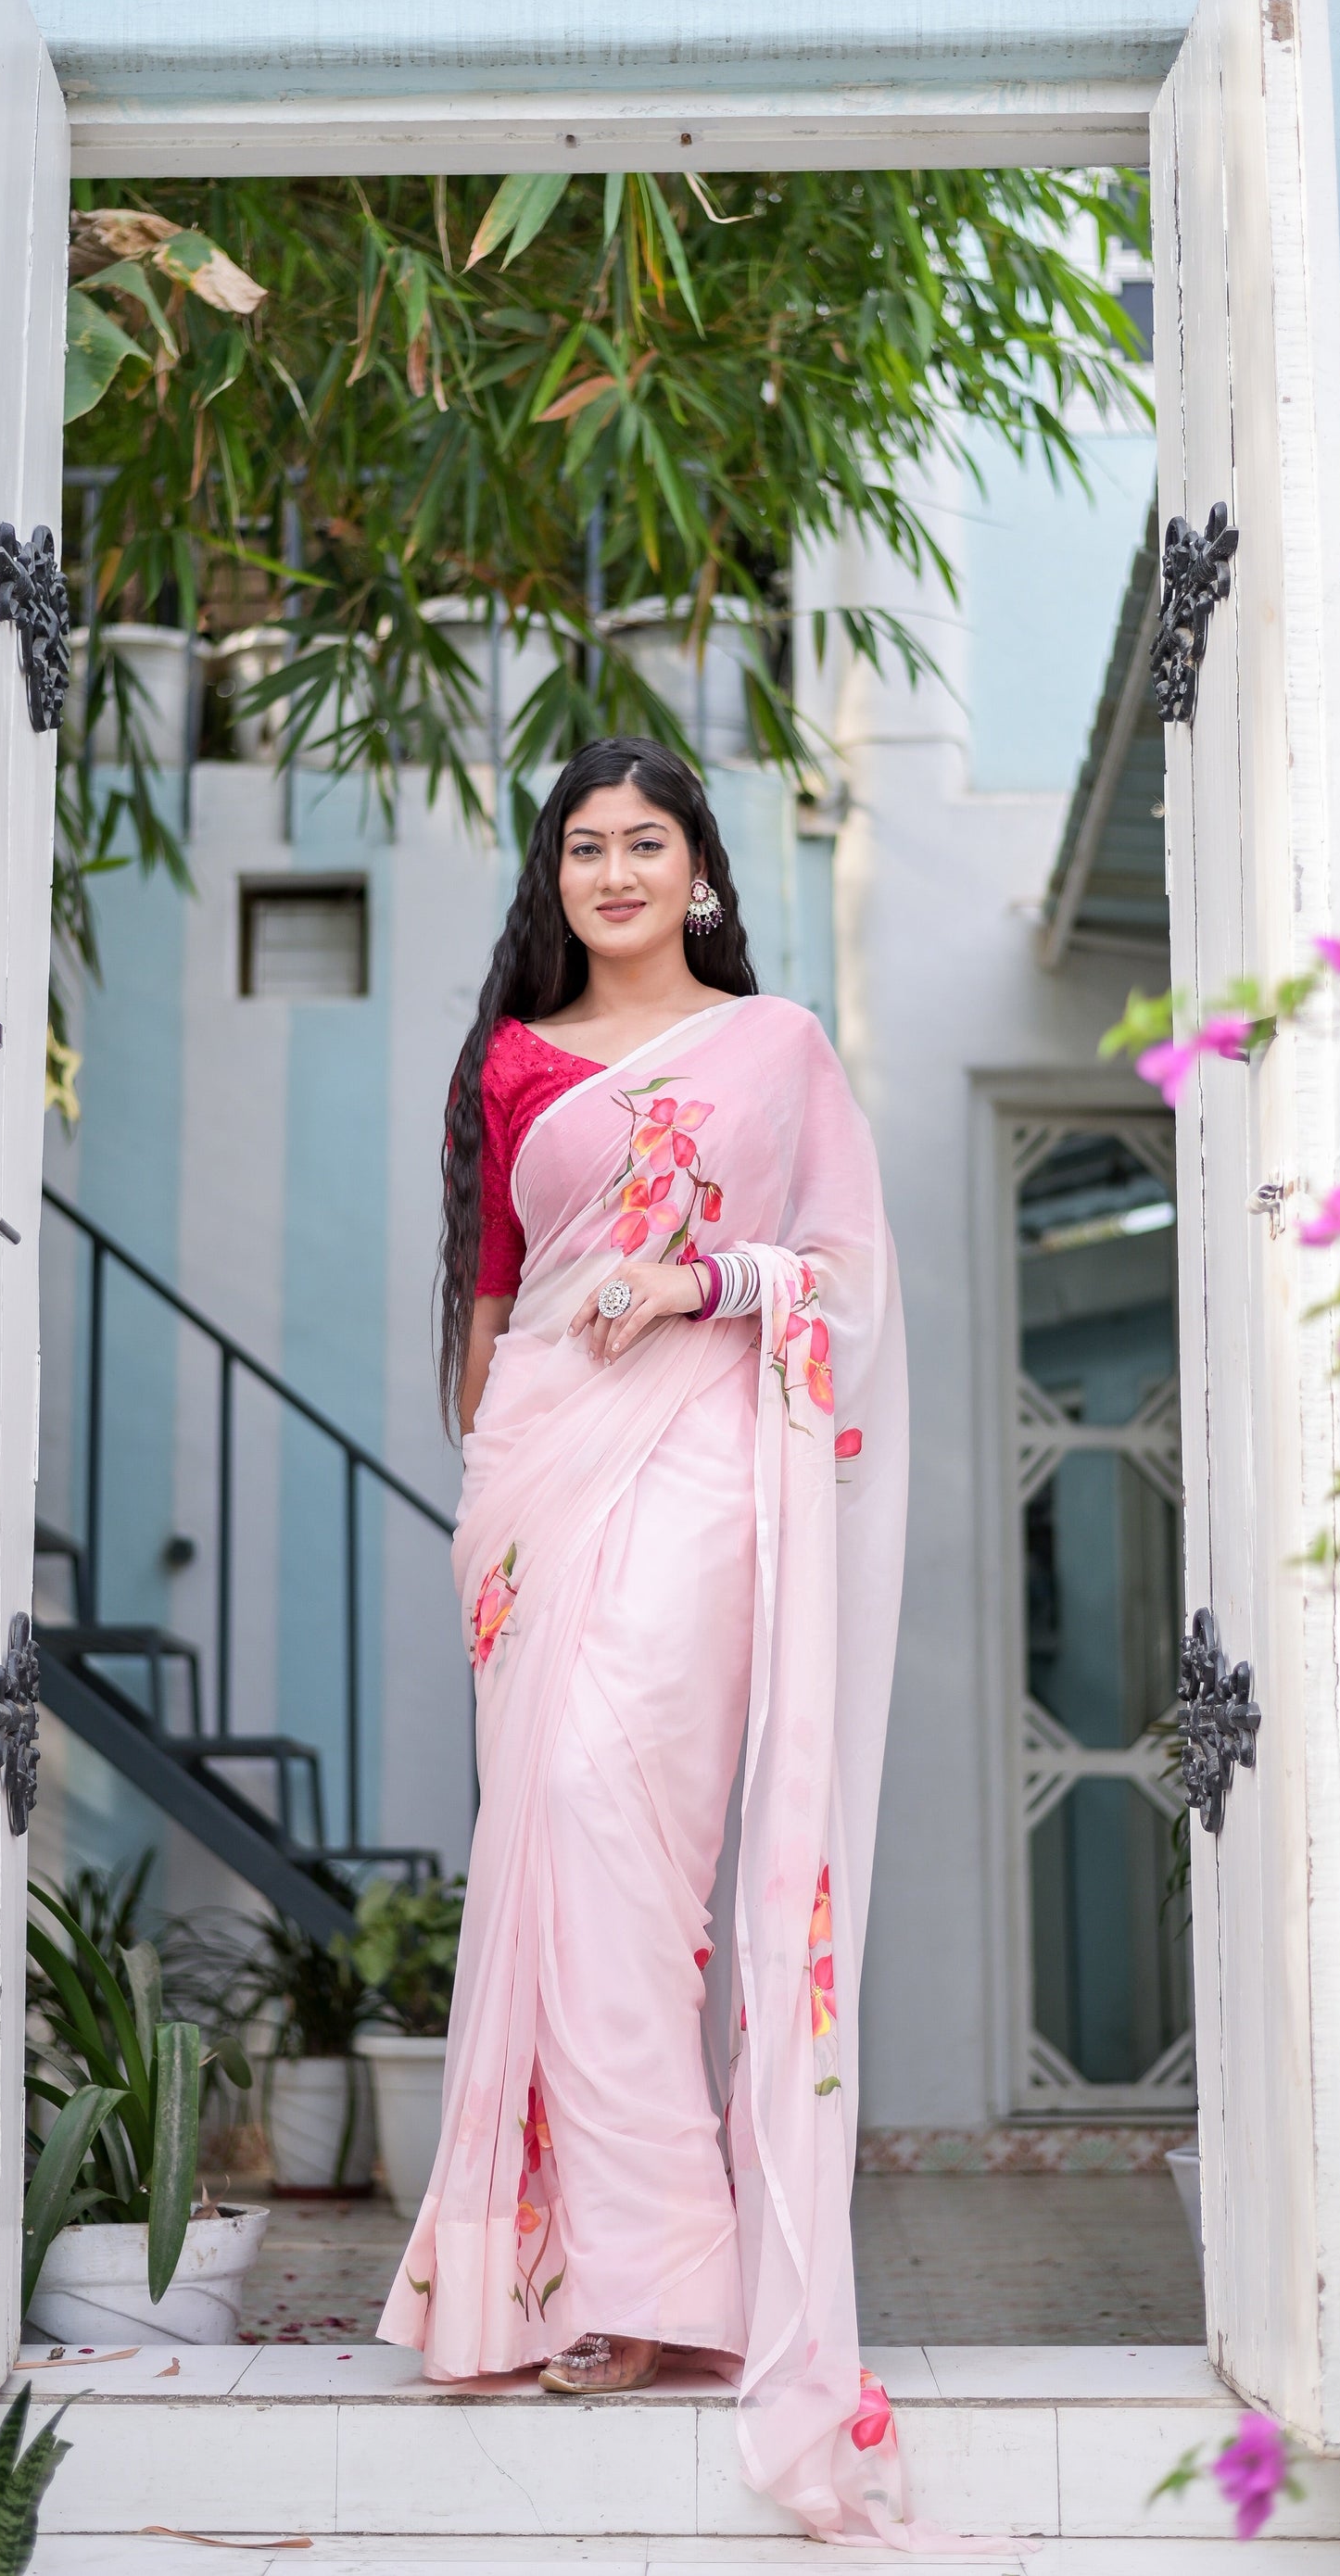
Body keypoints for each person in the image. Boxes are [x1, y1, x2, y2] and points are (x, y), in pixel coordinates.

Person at [377, 736, 911, 2546]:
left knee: (629, 1827)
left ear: (701, 871)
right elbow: (491, 1311)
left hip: (702, 1455)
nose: (613, 870)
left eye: (645, 841)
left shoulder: (775, 1053)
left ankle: (664, 2267)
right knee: (549, 1851)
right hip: (537, 1473)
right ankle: (590, 2277)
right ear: (557, 883)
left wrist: (696, 1278)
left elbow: (846, 1274)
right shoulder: (514, 1063)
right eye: (581, 846)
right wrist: (488, 1501)